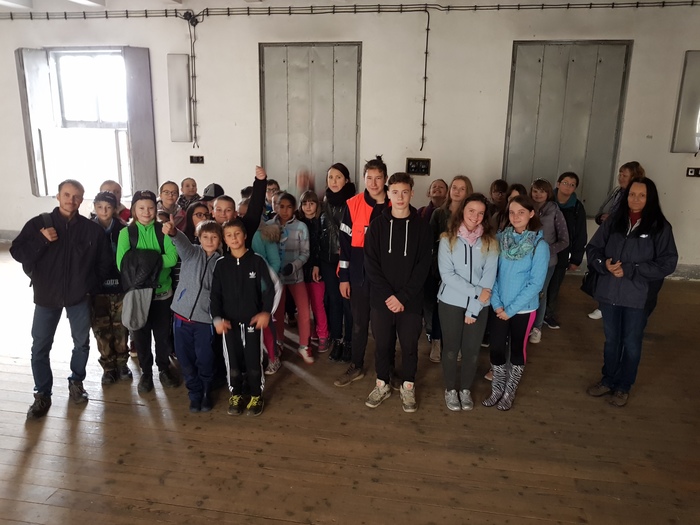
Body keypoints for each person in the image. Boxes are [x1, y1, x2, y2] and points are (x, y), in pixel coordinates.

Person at [11, 179, 111, 419]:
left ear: (82, 199)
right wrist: (41, 239)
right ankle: (42, 393)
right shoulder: (38, 224)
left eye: (76, 196)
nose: (71, 200)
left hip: (79, 297)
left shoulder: (91, 230)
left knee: (81, 343)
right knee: (40, 347)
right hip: (46, 296)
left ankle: (77, 382)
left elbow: (104, 263)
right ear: (58, 196)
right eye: (67, 195)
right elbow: (17, 252)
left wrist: (89, 286)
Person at [585, 177, 677, 407]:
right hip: (609, 294)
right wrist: (604, 264)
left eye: (642, 195)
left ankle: (623, 386)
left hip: (638, 297)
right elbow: (593, 248)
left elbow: (667, 263)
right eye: (632, 194)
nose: (635, 199)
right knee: (612, 341)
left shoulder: (659, 227)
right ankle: (608, 379)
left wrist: (631, 269)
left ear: (650, 198)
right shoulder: (613, 222)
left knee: (631, 342)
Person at [363, 173, 432, 412]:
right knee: (382, 345)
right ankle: (382, 383)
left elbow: (423, 267)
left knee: (410, 346)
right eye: (395, 192)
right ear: (388, 194)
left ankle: (408, 386)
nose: (400, 197)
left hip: (410, 302)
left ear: (412, 193)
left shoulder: (423, 227)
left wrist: (402, 297)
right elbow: (371, 264)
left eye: (404, 192)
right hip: (381, 300)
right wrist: (388, 296)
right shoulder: (377, 226)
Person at [483, 195, 549, 411]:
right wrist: (497, 304)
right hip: (499, 307)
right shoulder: (500, 239)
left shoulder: (539, 245)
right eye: (512, 212)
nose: (516, 216)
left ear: (531, 214)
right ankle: (497, 389)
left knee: (518, 350)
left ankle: (509, 391)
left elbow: (536, 283)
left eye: (521, 212)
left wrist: (510, 310)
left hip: (523, 309)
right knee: (496, 348)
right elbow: (492, 274)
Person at [437, 194, 498, 411]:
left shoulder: (491, 242)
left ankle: (464, 389)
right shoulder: (447, 239)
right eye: (471, 210)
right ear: (462, 210)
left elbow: (489, 278)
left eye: (481, 213)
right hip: (450, 303)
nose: (475, 216)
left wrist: (473, 309)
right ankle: (450, 389)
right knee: (451, 349)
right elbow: (447, 275)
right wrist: (476, 293)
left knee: (472, 351)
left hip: (479, 306)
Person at [116, 190, 180, 394]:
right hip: (138, 295)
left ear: (156, 208)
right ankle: (146, 373)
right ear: (134, 209)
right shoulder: (126, 233)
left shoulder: (164, 230)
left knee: (162, 335)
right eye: (141, 208)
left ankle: (163, 369)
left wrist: (141, 261)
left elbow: (172, 259)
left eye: (150, 207)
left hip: (162, 293)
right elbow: (123, 264)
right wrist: (155, 259)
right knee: (140, 336)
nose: (146, 212)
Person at [211, 218, 276, 417]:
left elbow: (269, 289)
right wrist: (217, 319)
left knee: (253, 360)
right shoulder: (221, 265)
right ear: (224, 240)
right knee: (232, 361)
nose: (234, 238)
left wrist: (266, 312)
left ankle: (256, 395)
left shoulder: (257, 261)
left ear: (245, 235)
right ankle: (236, 394)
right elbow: (215, 295)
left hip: (252, 322)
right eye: (229, 235)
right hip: (229, 324)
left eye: (237, 234)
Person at [335, 155, 391, 387]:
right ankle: (356, 365)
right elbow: (345, 245)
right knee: (358, 324)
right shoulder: (353, 204)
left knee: (383, 328)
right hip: (359, 276)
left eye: (378, 178)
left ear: (385, 179)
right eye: (369, 178)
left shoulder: (395, 204)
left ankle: (386, 370)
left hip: (387, 279)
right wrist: (344, 278)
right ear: (364, 178)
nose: (374, 183)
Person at [163, 216, 223, 413]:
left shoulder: (221, 263)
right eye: (205, 236)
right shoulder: (191, 253)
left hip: (205, 321)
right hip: (181, 317)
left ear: (220, 240)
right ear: (199, 237)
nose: (209, 241)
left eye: (214, 237)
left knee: (205, 358)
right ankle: (194, 393)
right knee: (185, 359)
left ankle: (206, 391)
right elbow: (180, 241)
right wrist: (173, 232)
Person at [589, 161, 645, 320]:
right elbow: (604, 209)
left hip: (626, 239)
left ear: (634, 177)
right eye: (620, 174)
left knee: (620, 269)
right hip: (610, 235)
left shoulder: (635, 197)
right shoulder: (617, 192)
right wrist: (603, 217)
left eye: (624, 175)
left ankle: (612, 305)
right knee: (606, 267)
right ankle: (604, 304)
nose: (620, 178)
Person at [428, 175, 474, 363]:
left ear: (468, 192)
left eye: (462, 188)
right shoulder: (438, 213)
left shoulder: (470, 214)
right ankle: (436, 342)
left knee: (460, 308)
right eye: (454, 187)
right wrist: (436, 267)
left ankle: (456, 344)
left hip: (463, 270)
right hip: (440, 269)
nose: (457, 191)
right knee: (440, 307)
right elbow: (430, 243)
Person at [90, 190, 131, 384]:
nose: (104, 211)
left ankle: (122, 364)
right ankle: (108, 367)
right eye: (100, 207)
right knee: (101, 330)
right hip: (97, 289)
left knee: (121, 327)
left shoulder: (123, 229)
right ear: (94, 207)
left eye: (108, 207)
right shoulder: (88, 229)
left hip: (120, 288)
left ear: (115, 209)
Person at [267, 192, 313, 363]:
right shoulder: (269, 226)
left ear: (294, 208)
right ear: (275, 206)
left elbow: (305, 253)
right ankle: (279, 342)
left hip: (296, 276)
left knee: (303, 311)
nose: (285, 210)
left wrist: (293, 266)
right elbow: (265, 251)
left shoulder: (301, 227)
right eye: (281, 206)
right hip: (276, 278)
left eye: (289, 207)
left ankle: (304, 346)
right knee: (277, 312)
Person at [320, 163, 356, 362]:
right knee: (334, 301)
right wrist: (316, 262)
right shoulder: (323, 202)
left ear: (346, 180)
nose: (333, 181)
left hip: (347, 260)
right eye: (330, 177)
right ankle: (338, 340)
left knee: (348, 302)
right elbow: (319, 233)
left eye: (338, 177)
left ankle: (350, 341)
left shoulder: (354, 203)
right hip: (328, 260)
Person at [544, 172, 587, 329]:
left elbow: (580, 234)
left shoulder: (577, 207)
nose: (568, 187)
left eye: (572, 185)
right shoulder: (548, 201)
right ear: (558, 184)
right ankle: (535, 314)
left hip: (562, 252)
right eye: (565, 183)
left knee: (555, 285)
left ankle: (548, 314)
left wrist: (576, 259)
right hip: (544, 251)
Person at [528, 178, 569, 344]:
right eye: (535, 191)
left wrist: (544, 252)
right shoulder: (526, 208)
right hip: (525, 261)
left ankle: (537, 328)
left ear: (548, 193)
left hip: (547, 262)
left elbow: (565, 240)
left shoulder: (555, 211)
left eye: (542, 191)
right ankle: (526, 325)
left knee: (540, 294)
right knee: (526, 293)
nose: (538, 195)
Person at [298, 190, 330, 353]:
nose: (308, 207)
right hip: (301, 268)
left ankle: (323, 334)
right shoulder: (298, 222)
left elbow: (321, 247)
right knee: (305, 306)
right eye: (305, 203)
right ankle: (311, 333)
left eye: (312, 203)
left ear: (317, 205)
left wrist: (317, 265)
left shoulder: (322, 221)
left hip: (318, 269)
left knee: (318, 304)